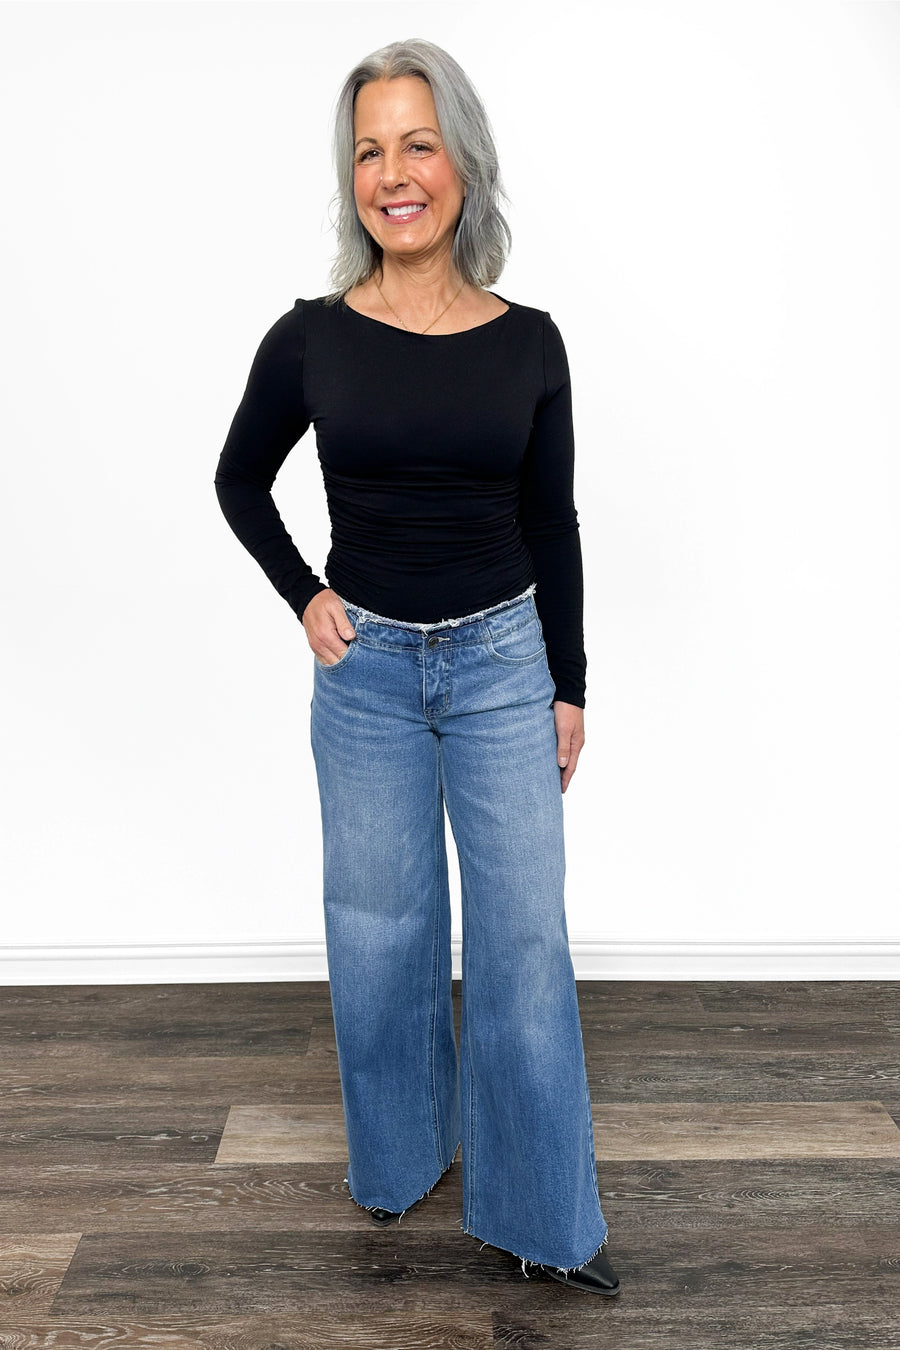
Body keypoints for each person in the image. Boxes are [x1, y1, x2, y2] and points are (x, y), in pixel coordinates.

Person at [214, 37, 620, 1297]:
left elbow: (552, 523)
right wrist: (307, 598)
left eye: (418, 143)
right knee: (382, 935)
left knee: (522, 947)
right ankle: (395, 1168)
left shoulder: (531, 342)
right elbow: (239, 479)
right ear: (355, 182)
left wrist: (569, 681)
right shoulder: (310, 337)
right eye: (370, 152)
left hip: (503, 661)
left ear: (462, 162)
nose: (394, 174)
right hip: (371, 676)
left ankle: (546, 1221)